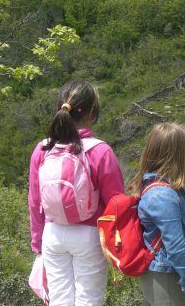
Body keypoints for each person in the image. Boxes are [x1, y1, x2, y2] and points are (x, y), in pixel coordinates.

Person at [28, 79, 125, 306]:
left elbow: (34, 201)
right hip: (89, 235)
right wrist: (117, 246)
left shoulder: (43, 149)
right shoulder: (100, 151)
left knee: (59, 301)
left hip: (52, 235)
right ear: (92, 113)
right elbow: (116, 203)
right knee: (88, 301)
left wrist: (37, 243)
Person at [130, 123, 185, 306]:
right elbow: (176, 246)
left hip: (156, 274)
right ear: (175, 155)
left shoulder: (150, 187)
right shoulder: (163, 195)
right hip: (165, 276)